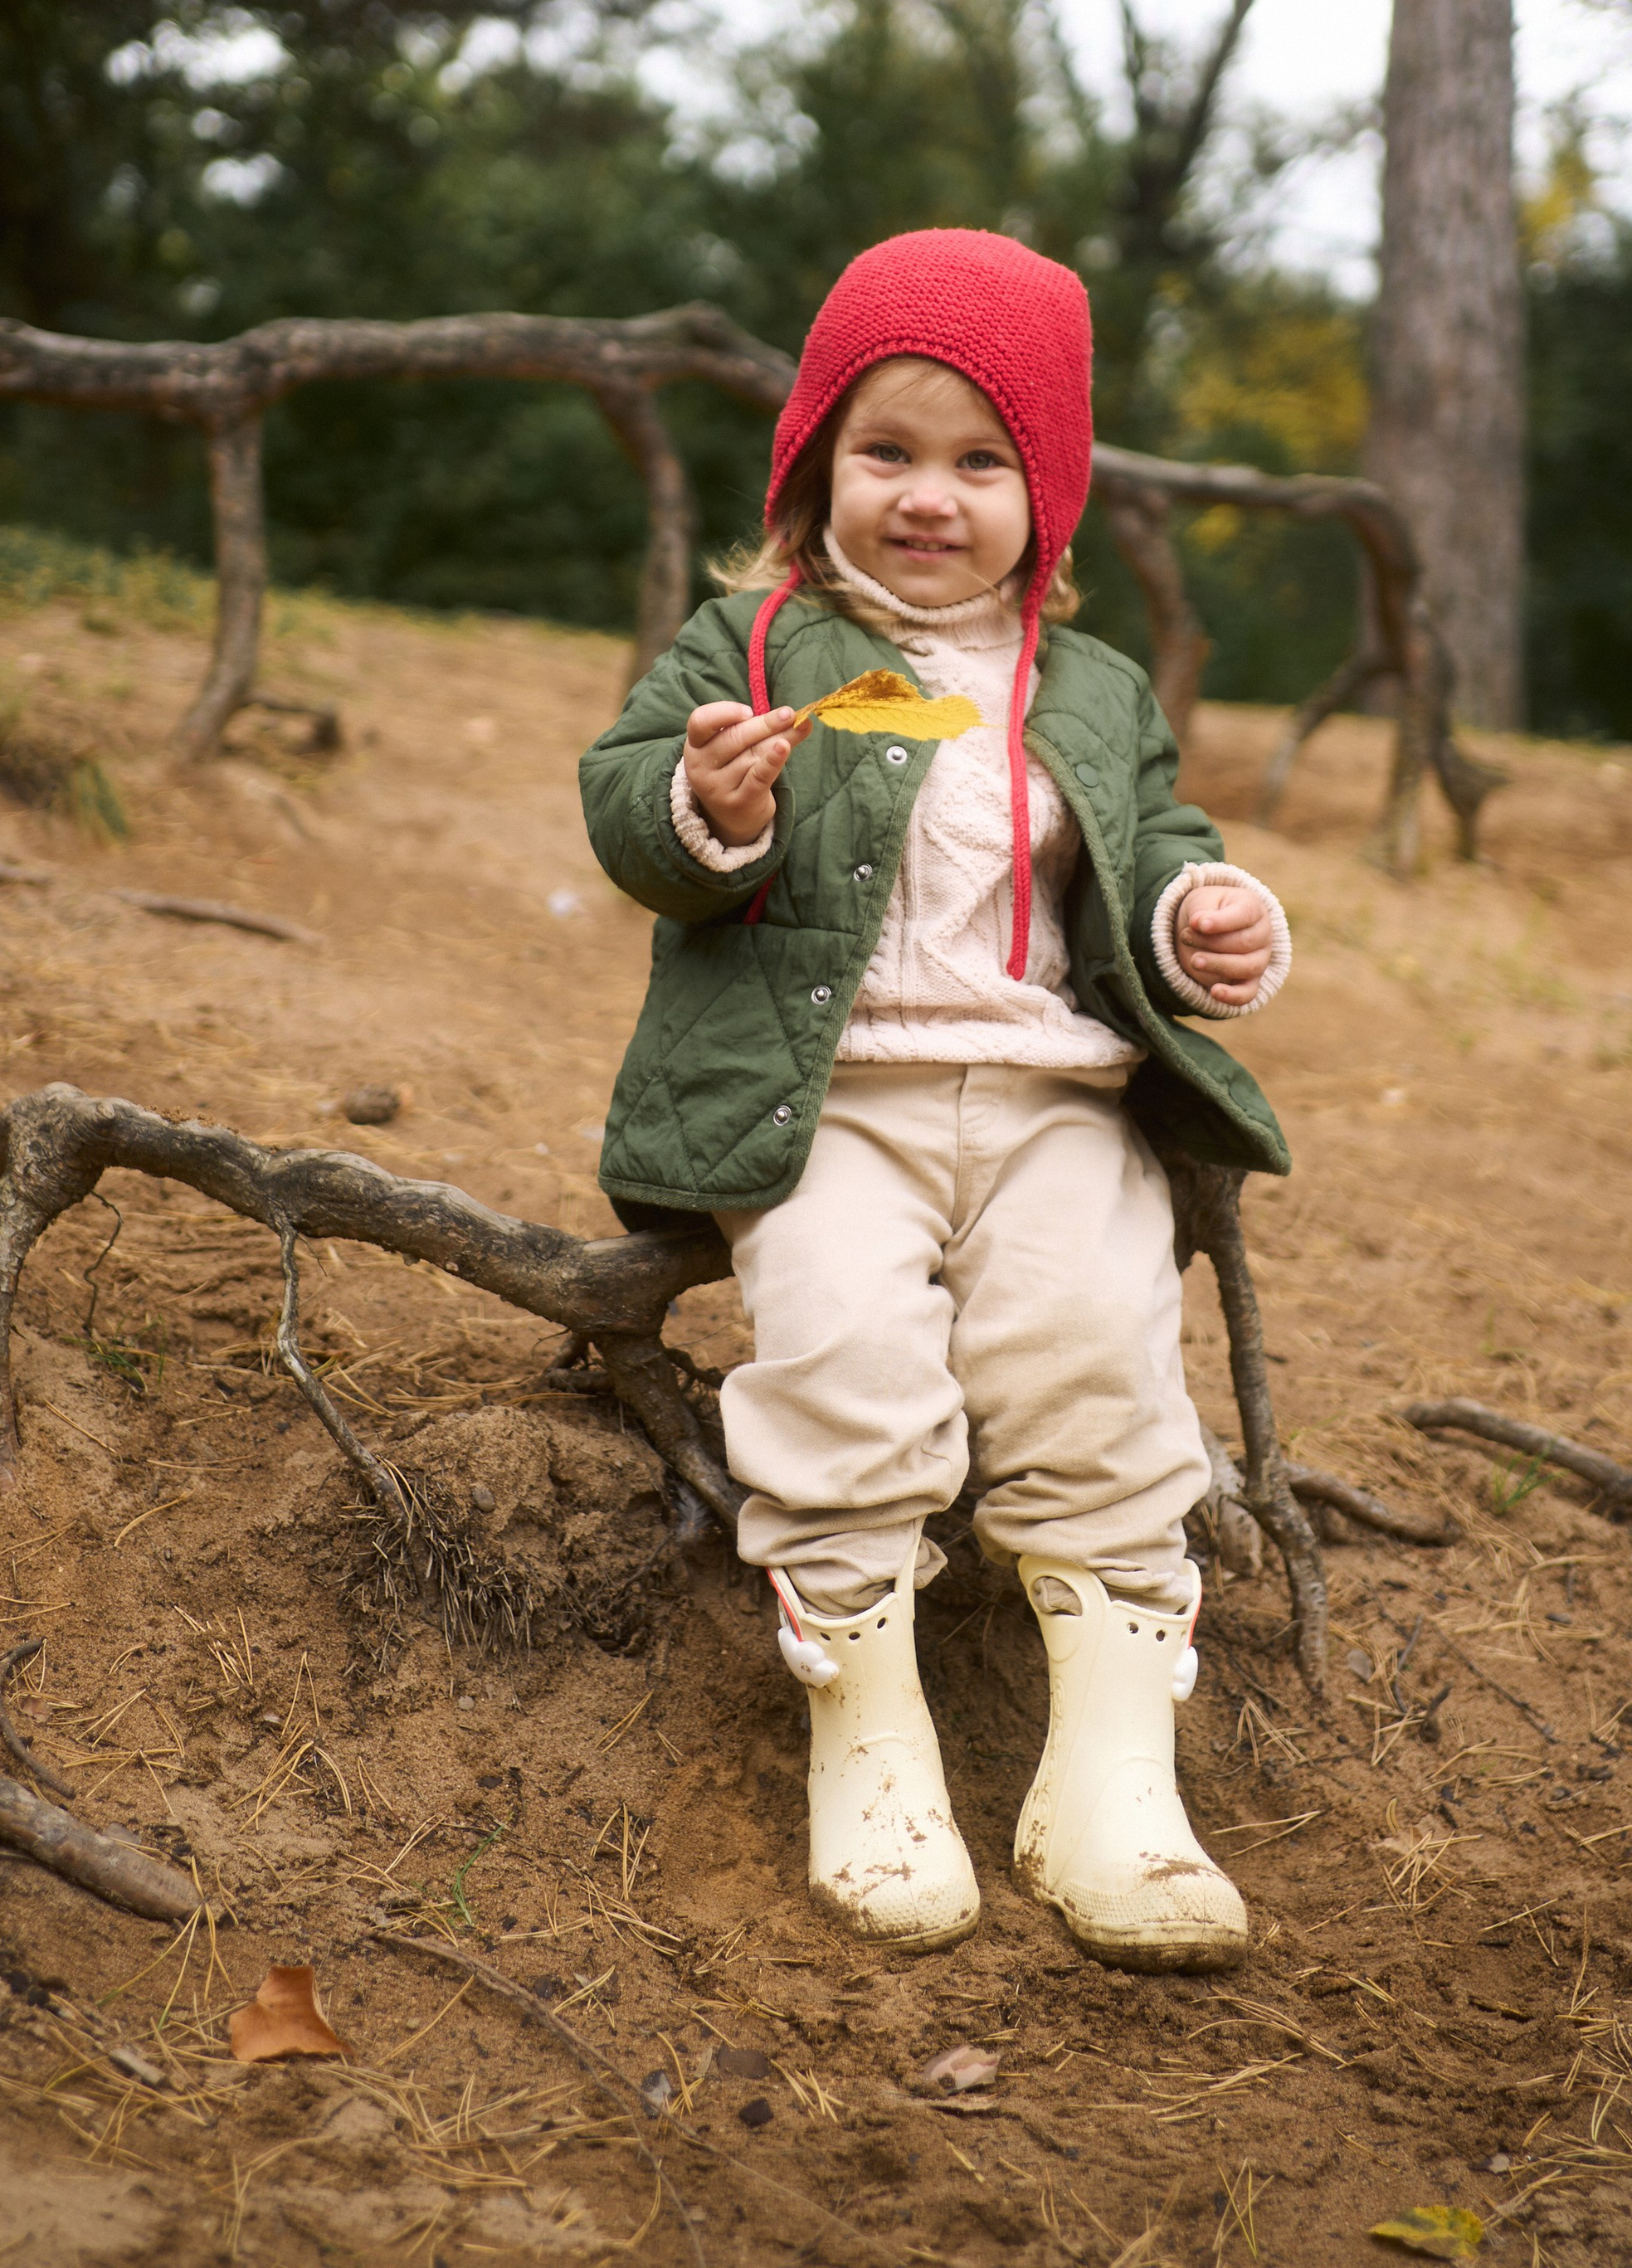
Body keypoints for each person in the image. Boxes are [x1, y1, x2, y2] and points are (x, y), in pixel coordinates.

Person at [579, 229, 1291, 1973]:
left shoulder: (1094, 689)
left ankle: (1108, 1775)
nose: (928, 496)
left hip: (1051, 1096)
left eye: (983, 463)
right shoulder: (752, 642)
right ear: (815, 456)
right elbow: (622, 813)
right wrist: (710, 810)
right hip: (824, 1099)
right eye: (885, 451)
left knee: (1095, 1351)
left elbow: (1152, 854)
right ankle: (873, 1738)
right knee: (837, 1348)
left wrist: (1203, 921)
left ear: (1043, 495)